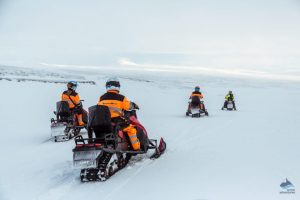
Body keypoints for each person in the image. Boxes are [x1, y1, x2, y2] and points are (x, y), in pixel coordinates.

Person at [97, 78, 141, 151]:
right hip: (117, 121)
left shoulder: (101, 98)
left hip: (104, 121)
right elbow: (128, 106)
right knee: (131, 129)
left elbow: (99, 107)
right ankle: (136, 148)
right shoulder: (121, 98)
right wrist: (134, 105)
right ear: (117, 87)